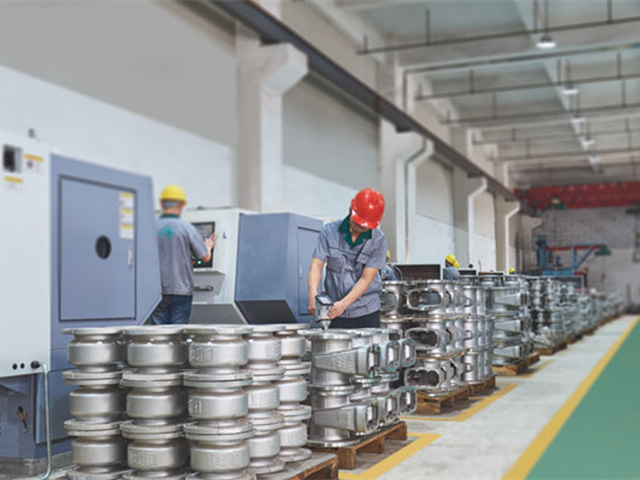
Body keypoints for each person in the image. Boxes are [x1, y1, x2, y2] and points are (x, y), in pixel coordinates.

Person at [308, 188, 388, 329]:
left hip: (366, 312)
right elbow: (316, 266)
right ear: (351, 210)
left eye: (364, 227)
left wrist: (344, 304)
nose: (359, 229)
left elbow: (365, 279)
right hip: (334, 311)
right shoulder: (329, 232)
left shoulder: (378, 240)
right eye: (357, 224)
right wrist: (313, 295)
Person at [151, 185, 216, 325]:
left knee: (157, 333)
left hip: (157, 290)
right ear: (181, 204)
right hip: (181, 290)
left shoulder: (151, 227)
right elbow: (205, 258)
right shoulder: (186, 228)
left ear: (162, 204)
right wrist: (208, 246)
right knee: (177, 332)